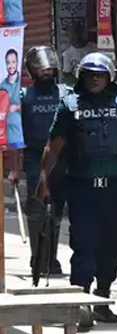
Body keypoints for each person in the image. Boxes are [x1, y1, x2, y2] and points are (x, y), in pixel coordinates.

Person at [39, 52, 117, 329]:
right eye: (90, 74)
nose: (95, 79)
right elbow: (54, 145)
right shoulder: (69, 105)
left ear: (110, 77)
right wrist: (43, 179)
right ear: (81, 76)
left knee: (113, 243)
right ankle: (80, 299)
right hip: (82, 187)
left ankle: (102, 297)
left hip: (115, 188)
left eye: (100, 74)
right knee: (84, 243)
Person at [15, 46, 68, 276]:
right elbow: (16, 135)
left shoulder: (65, 94)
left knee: (56, 210)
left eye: (49, 67)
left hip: (62, 159)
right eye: (41, 67)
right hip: (35, 159)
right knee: (37, 210)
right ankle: (38, 257)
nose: (46, 71)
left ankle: (52, 258)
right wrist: (15, 169)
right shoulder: (24, 97)